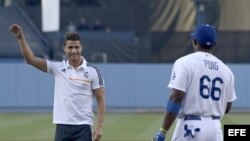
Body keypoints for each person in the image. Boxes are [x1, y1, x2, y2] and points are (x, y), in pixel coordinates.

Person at [9, 24, 106, 141]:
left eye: (76, 47)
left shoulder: (93, 71)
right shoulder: (57, 67)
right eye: (70, 47)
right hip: (62, 127)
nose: (74, 51)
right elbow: (31, 59)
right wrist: (21, 38)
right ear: (64, 48)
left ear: (82, 48)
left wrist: (99, 127)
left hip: (83, 127)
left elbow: (101, 100)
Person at [152, 24, 237, 141]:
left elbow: (176, 97)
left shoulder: (184, 63)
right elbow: (227, 108)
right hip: (215, 129)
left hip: (190, 127)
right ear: (214, 44)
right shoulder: (226, 71)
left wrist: (163, 131)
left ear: (195, 41)